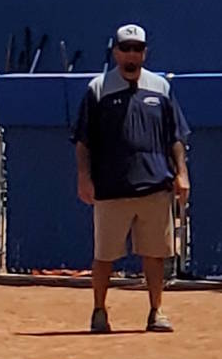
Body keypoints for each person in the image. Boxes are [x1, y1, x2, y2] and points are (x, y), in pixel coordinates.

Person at [73, 24, 190, 333]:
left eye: (137, 49)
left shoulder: (161, 88)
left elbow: (175, 136)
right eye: (126, 48)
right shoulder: (97, 88)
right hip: (111, 188)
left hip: (154, 186)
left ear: (144, 53)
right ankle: (99, 311)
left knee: (155, 254)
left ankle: (157, 311)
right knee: (105, 255)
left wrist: (181, 173)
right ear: (116, 52)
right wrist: (84, 178)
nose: (131, 54)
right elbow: (83, 140)